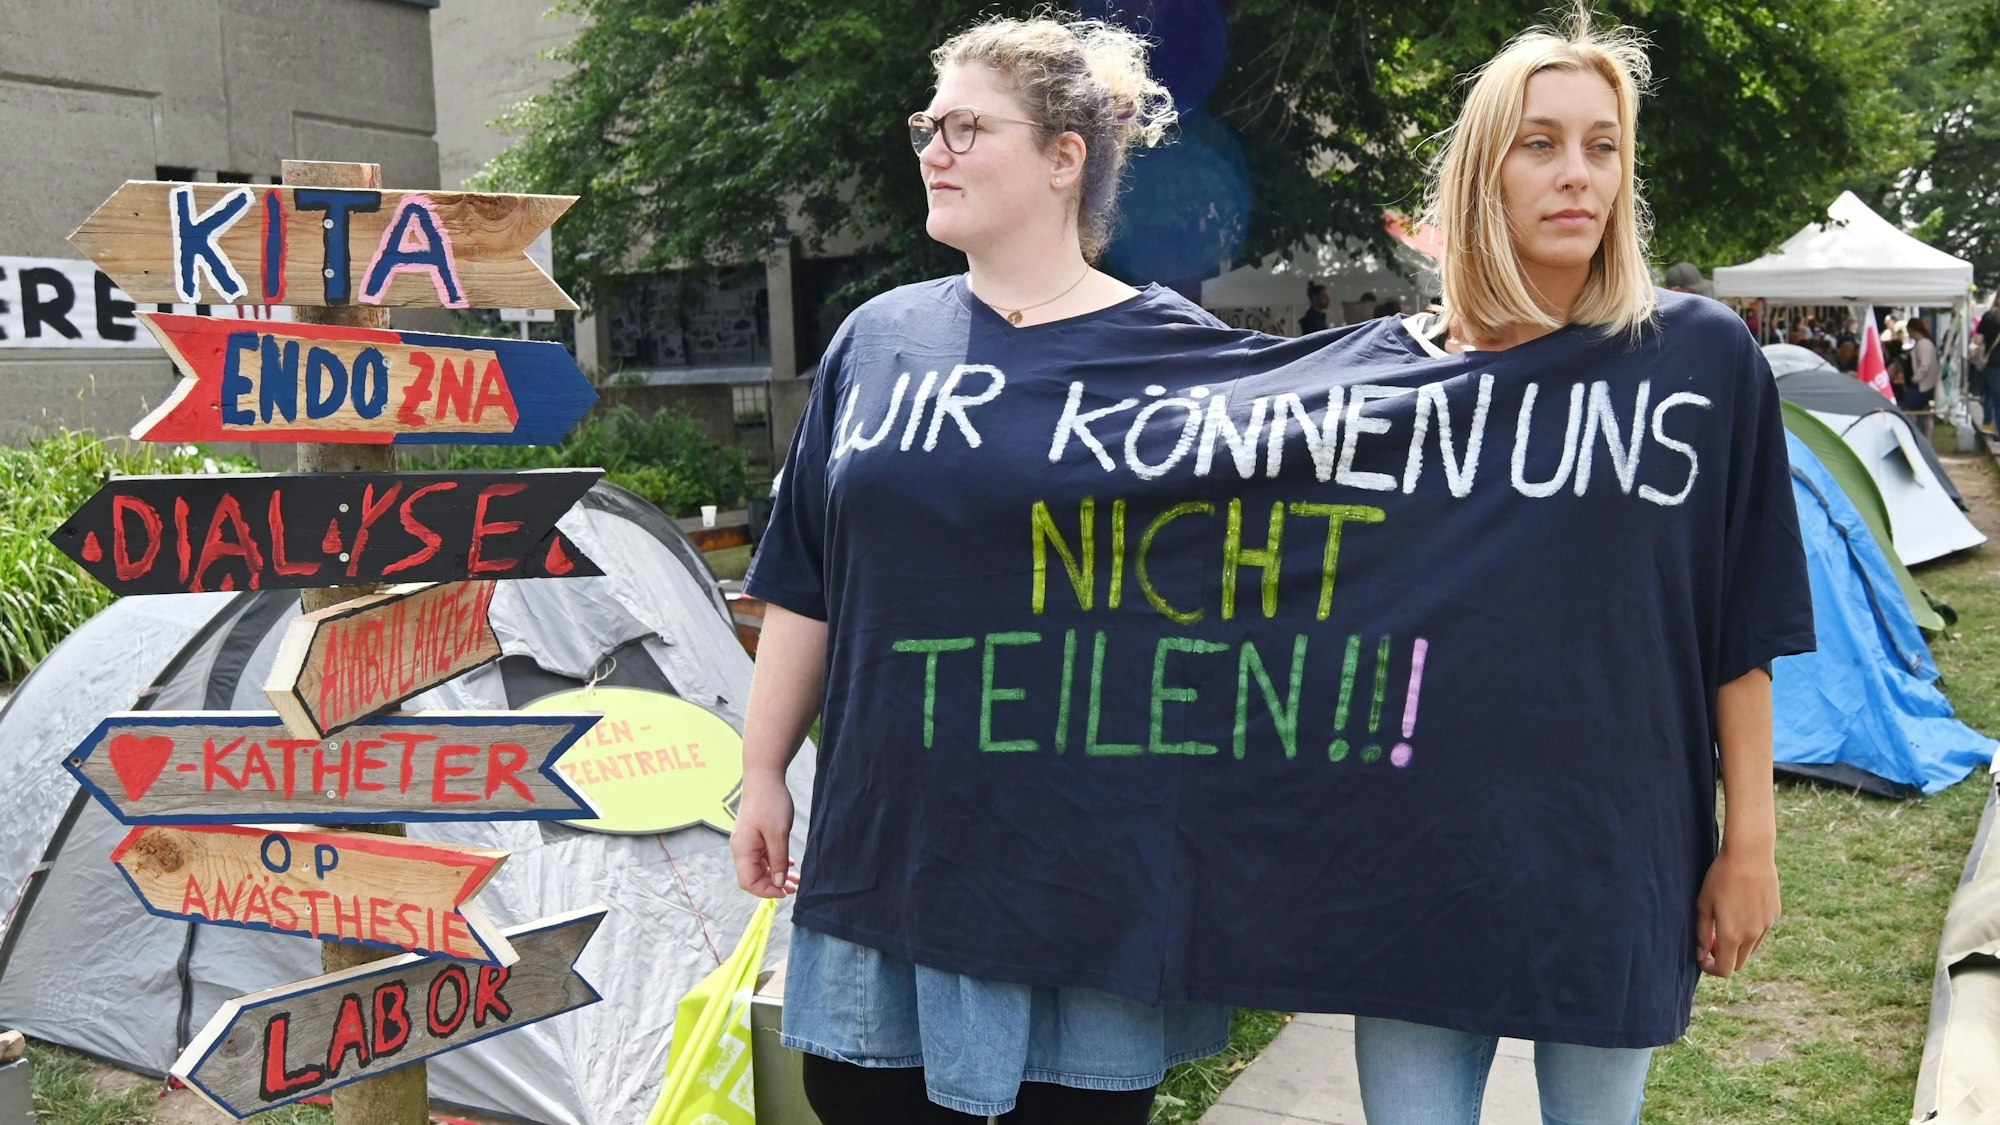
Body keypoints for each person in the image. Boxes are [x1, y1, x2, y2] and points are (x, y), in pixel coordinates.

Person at [730, 16, 1229, 1122]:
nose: (933, 151)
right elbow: (806, 576)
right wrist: (762, 771)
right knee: (857, 1099)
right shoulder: (874, 340)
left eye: (966, 127)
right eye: (928, 126)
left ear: (1064, 157)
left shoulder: (1182, 356)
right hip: (889, 855)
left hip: (1080, 876)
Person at [1344, 8, 1811, 1122]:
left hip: (1617, 846)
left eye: (1602, 146)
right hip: (1414, 855)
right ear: (1483, 173)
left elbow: (1738, 623)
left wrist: (1749, 841)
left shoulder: (1701, 358)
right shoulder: (1389, 381)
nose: (1576, 174)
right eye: (1540, 143)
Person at [1905, 316, 1939, 417]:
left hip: (1921, 386)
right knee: (1925, 412)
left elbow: (1925, 365)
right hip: (1925, 384)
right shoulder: (1924, 343)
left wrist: (1915, 379)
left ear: (1912, 330)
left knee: (1912, 411)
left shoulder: (1923, 344)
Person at [1979, 293, 2000, 434]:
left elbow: (1978, 340)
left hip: (1993, 363)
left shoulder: (1988, 316)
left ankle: (1994, 429)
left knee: (1994, 398)